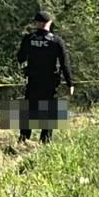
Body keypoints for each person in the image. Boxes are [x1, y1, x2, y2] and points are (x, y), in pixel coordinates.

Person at [16, 11, 74, 143]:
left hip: (33, 80)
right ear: (49, 23)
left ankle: (24, 138)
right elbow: (64, 64)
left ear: (36, 23)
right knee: (49, 109)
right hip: (50, 82)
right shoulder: (56, 41)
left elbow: (20, 58)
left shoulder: (29, 39)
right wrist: (70, 83)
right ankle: (45, 140)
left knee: (29, 108)